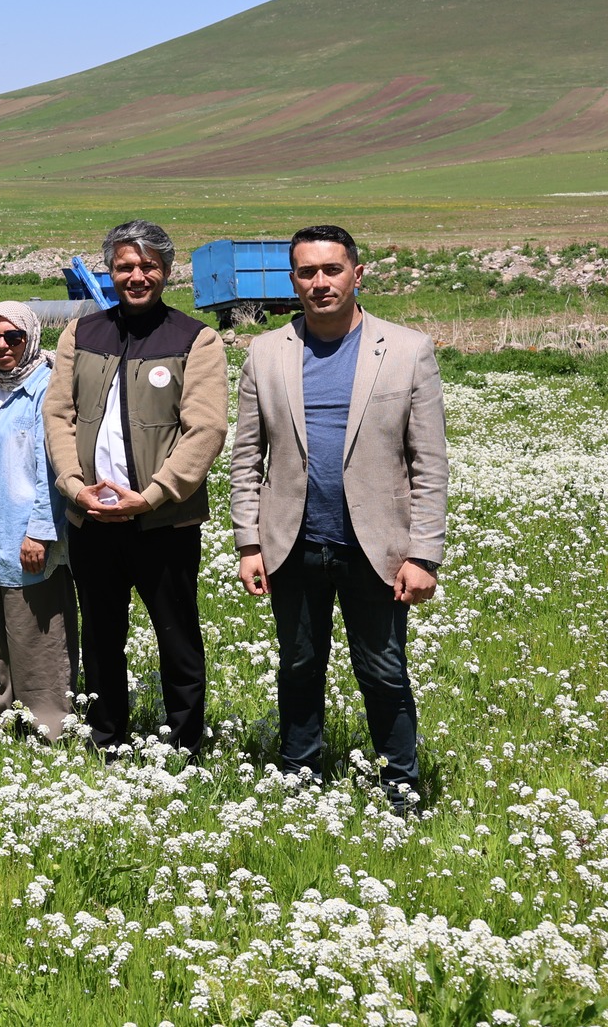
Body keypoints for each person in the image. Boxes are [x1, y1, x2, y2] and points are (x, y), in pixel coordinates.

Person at [231, 226, 447, 808]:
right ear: (292, 280)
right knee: (299, 665)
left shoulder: (407, 349)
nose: (320, 283)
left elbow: (428, 461)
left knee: (383, 670)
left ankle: (401, 787)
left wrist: (423, 554)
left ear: (357, 273)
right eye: (307, 272)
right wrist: (248, 543)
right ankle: (300, 780)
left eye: (331, 270)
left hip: (376, 545)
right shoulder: (265, 352)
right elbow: (247, 456)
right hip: (292, 542)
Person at [42, 219, 226, 757]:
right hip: (91, 518)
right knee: (100, 638)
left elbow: (206, 429)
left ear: (166, 272)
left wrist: (153, 494)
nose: (136, 275)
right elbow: (59, 414)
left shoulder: (197, 339)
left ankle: (186, 745)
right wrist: (74, 488)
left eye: (148, 265)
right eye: (125, 266)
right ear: (111, 271)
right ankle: (106, 739)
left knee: (177, 637)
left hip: (163, 521)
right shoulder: (82, 332)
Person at [0, 302, 78, 741]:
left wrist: (41, 531)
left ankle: (50, 727)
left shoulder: (46, 389)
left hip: (29, 533)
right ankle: (10, 717)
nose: (2, 346)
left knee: (38, 634)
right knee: (3, 631)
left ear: (31, 337)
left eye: (13, 338)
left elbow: (54, 468)